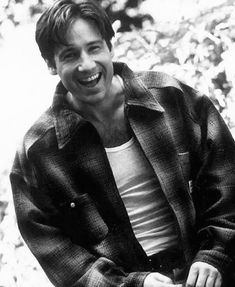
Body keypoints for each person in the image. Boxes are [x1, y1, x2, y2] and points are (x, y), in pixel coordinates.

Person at [10, 0, 235, 286]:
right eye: (70, 55)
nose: (87, 65)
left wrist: (213, 255)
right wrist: (132, 284)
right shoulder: (37, 154)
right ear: (50, 64)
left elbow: (227, 179)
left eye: (94, 48)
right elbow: (58, 254)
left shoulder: (171, 98)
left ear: (109, 47)